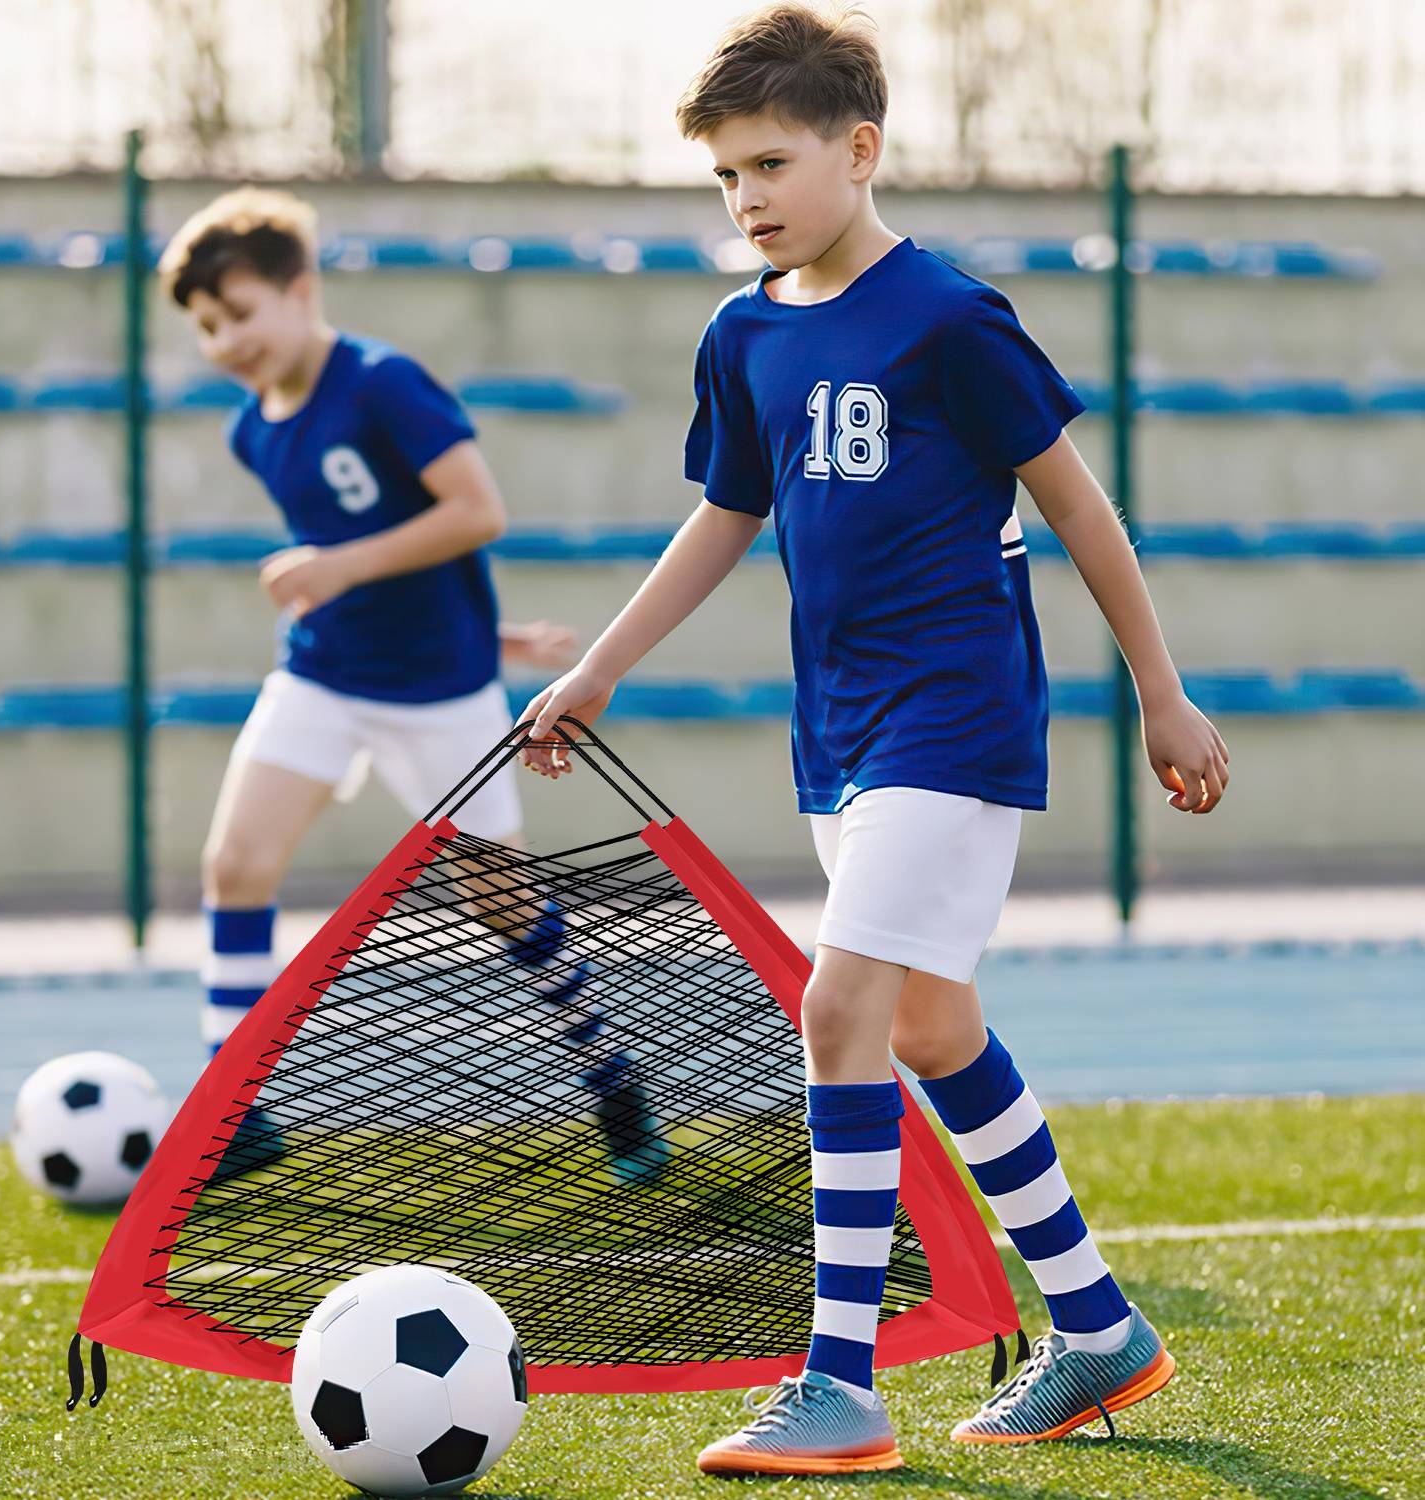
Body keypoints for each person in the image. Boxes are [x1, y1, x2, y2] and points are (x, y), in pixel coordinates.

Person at [517, 2, 1228, 1475]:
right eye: (724, 177)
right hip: (838, 729)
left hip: (958, 717)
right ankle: (1098, 1330)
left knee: (836, 1009)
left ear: (860, 148)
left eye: (770, 163)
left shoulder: (952, 319)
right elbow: (726, 515)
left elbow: (1079, 509)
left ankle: (837, 1378)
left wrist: (1163, 691)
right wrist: (595, 670)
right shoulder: (743, 334)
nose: (748, 198)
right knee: (926, 1027)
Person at [157, 188, 668, 1186]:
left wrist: (373, 584)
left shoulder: (385, 383)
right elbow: (381, 554)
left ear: (301, 291)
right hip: (323, 674)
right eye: (208, 327)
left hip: (439, 695)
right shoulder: (251, 431)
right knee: (236, 864)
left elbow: (475, 513)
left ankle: (611, 1079)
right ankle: (232, 1106)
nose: (227, 341)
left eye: (243, 313)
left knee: (504, 906)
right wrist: (359, 586)